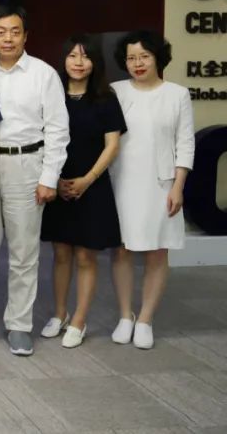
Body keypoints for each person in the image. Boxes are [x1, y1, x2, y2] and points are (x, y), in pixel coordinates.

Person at [0, 5, 68, 357]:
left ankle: (19, 324)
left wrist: (49, 177)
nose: (8, 38)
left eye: (15, 31)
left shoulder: (44, 74)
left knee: (24, 252)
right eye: (1, 32)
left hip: (27, 166)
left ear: (26, 36)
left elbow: (57, 130)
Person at [108, 30, 194, 350]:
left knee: (158, 250)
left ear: (158, 58)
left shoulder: (177, 94)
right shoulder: (115, 91)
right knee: (122, 249)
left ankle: (145, 319)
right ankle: (125, 315)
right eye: (131, 58)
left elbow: (185, 143)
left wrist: (178, 186)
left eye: (144, 56)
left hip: (161, 183)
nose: (138, 63)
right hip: (121, 180)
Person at [39, 35, 126, 349]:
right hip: (57, 183)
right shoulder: (52, 95)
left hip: (92, 184)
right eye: (73, 56)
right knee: (61, 253)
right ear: (63, 60)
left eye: (85, 57)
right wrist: (55, 179)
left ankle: (79, 319)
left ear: (95, 62)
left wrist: (87, 180)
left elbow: (112, 145)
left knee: (86, 255)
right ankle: (60, 314)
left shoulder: (105, 98)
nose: (78, 62)